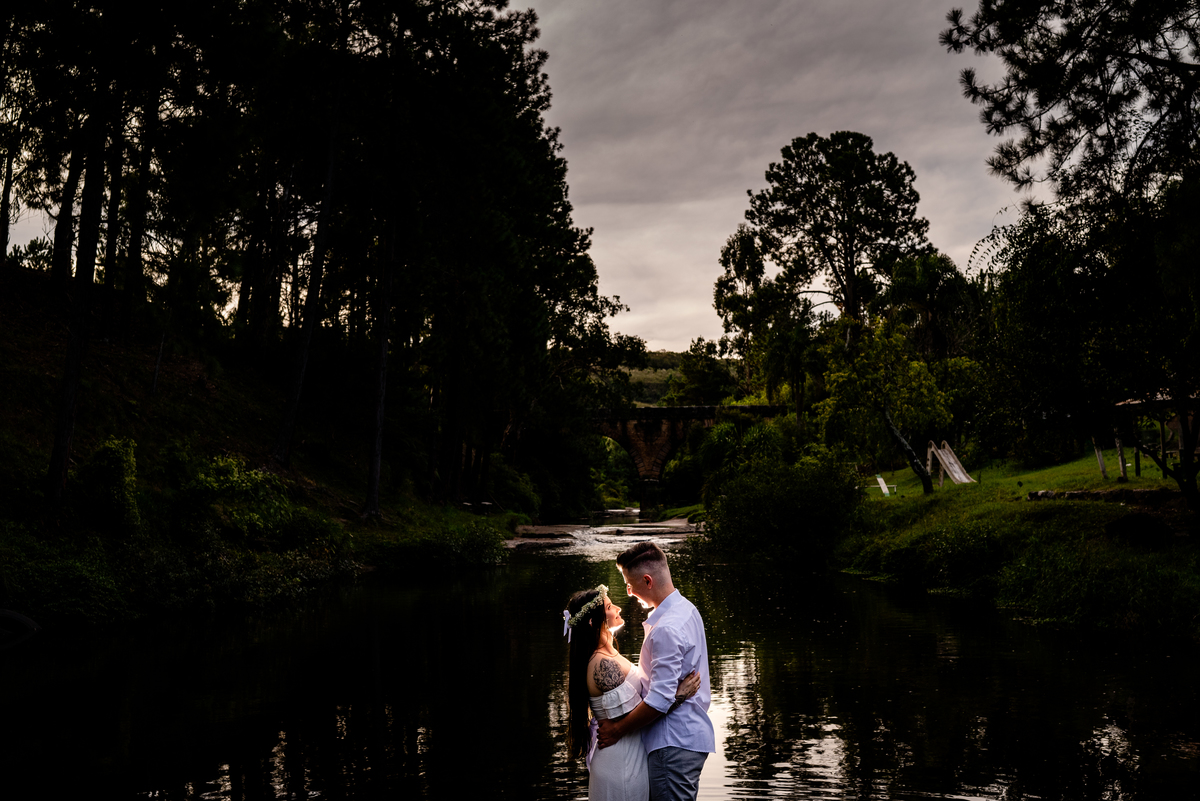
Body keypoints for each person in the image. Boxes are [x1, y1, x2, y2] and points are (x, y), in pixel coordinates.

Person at [598, 542, 715, 801]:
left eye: (630, 584)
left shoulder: (667, 628)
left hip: (671, 743)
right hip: (683, 739)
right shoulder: (686, 609)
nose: (628, 593)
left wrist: (617, 730)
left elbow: (659, 700)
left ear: (648, 580)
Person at [564, 584, 701, 800]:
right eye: (609, 606)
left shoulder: (609, 655)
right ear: (593, 622)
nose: (617, 608)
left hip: (630, 755)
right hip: (621, 764)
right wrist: (678, 696)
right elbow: (643, 711)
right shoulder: (602, 664)